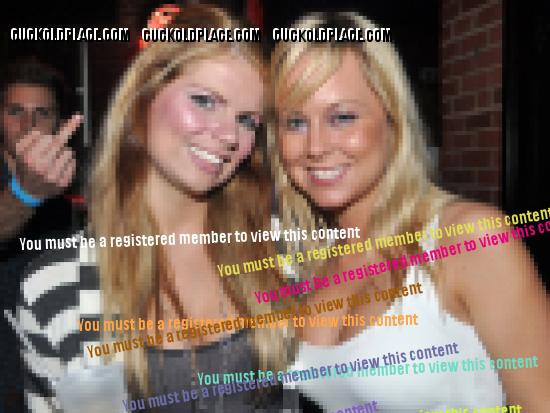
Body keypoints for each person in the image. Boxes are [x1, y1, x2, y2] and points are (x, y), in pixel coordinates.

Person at [11, 6, 298, 413]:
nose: (229, 136)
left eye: (247, 120)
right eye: (204, 101)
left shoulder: (282, 251)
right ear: (143, 98)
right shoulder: (55, 286)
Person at [270, 12, 550, 412]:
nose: (315, 146)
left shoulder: (471, 238)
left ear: (393, 120)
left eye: (342, 117)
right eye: (295, 122)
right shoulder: (306, 258)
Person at [0, 58, 80, 246]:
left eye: (42, 113)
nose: (28, 125)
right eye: (15, 111)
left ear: (60, 125)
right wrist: (26, 193)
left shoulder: (66, 189)